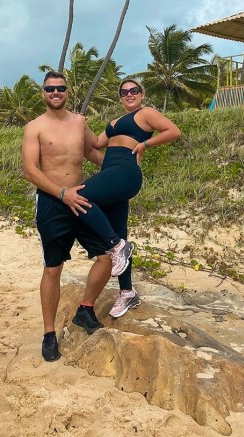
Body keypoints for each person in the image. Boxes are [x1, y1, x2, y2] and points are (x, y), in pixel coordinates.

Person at [22, 71, 130, 362]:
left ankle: (85, 308)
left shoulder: (79, 122)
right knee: (53, 269)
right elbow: (30, 169)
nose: (55, 93)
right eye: (50, 89)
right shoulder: (35, 127)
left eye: (60, 88)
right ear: (43, 93)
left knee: (108, 255)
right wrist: (60, 193)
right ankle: (48, 333)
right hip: (52, 202)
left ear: (67, 92)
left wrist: (123, 169)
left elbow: (94, 154)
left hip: (83, 198)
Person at [81, 78, 181, 319]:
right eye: (124, 92)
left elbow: (173, 131)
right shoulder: (114, 122)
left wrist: (145, 143)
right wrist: (80, 124)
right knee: (119, 229)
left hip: (126, 172)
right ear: (119, 97)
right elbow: (94, 144)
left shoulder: (145, 113)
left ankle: (117, 246)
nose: (128, 94)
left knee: (80, 196)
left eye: (133, 90)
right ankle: (127, 291)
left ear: (142, 93)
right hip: (110, 174)